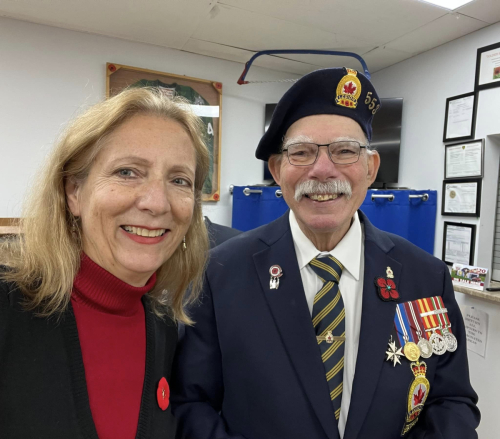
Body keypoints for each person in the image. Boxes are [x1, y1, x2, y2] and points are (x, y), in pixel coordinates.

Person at [171, 68, 480, 439]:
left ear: (370, 168)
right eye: (301, 152)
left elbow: (452, 403)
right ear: (276, 170)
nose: (321, 170)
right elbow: (191, 403)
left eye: (345, 151)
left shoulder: (427, 277)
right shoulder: (221, 271)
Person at [0, 87, 210, 439]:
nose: (157, 203)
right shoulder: (8, 307)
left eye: (179, 180)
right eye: (128, 172)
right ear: (74, 192)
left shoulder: (163, 330)